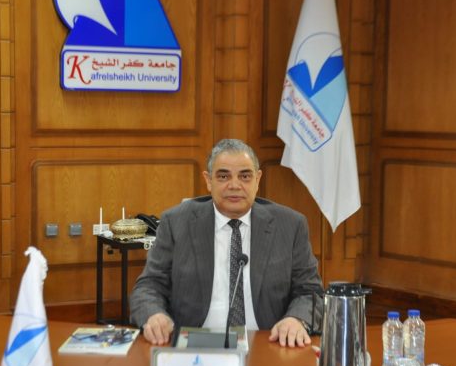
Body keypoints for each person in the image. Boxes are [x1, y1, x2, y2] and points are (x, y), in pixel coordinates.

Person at [129, 139, 323, 348]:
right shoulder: (176, 222)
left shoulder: (290, 225)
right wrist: (154, 315)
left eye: (245, 176)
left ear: (257, 180)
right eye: (223, 176)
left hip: (269, 342)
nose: (234, 185)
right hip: (193, 345)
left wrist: (296, 319)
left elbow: (310, 292)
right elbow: (149, 286)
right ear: (208, 180)